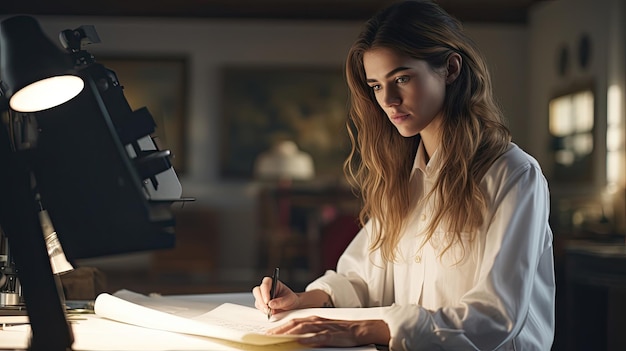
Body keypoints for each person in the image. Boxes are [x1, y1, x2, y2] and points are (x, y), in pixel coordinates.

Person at [252, 0, 555, 349]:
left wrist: (372, 329)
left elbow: (495, 315)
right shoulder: (403, 178)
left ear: (451, 68)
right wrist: (307, 300)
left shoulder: (513, 174)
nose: (389, 100)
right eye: (377, 86)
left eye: (402, 78)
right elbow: (363, 277)